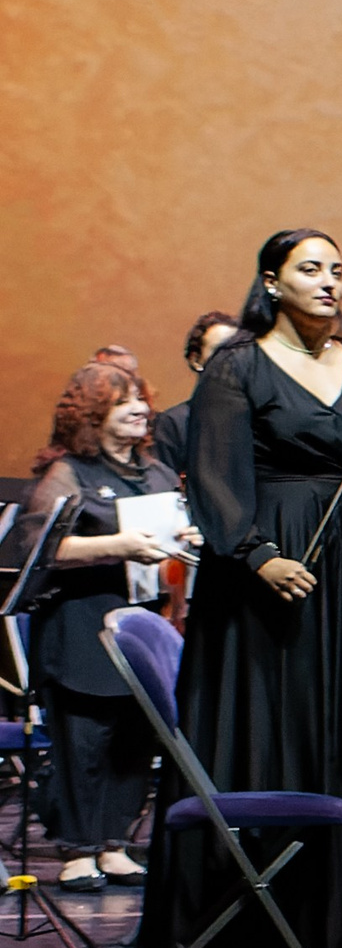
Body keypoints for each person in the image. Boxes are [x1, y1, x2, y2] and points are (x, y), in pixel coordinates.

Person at [141, 228, 342, 948]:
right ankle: (252, 928)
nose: (329, 280)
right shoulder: (238, 364)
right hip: (266, 576)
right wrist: (257, 554)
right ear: (272, 281)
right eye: (310, 269)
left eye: (337, 268)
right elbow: (214, 476)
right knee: (275, 725)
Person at [21, 355, 196, 891]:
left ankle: (116, 843)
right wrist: (115, 547)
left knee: (133, 737)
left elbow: (175, 527)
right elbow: (40, 547)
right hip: (80, 625)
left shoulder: (157, 470)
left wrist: (187, 537)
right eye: (124, 404)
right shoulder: (69, 473)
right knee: (83, 741)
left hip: (139, 622)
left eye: (141, 400)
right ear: (94, 415)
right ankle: (78, 850)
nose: (141, 410)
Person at [153, 310, 237, 475]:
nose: (231, 357)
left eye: (237, 349)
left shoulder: (263, 415)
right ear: (196, 359)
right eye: (219, 350)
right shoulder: (175, 423)